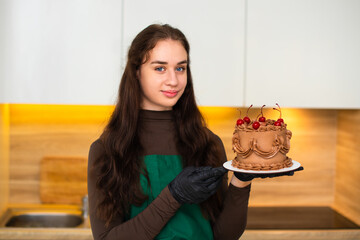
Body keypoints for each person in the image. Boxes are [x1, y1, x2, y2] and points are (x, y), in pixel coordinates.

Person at [87, 24, 302, 240]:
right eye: (160, 68)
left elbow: (223, 236)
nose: (174, 80)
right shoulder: (106, 150)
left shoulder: (207, 143)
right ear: (136, 72)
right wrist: (173, 196)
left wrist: (241, 182)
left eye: (180, 68)